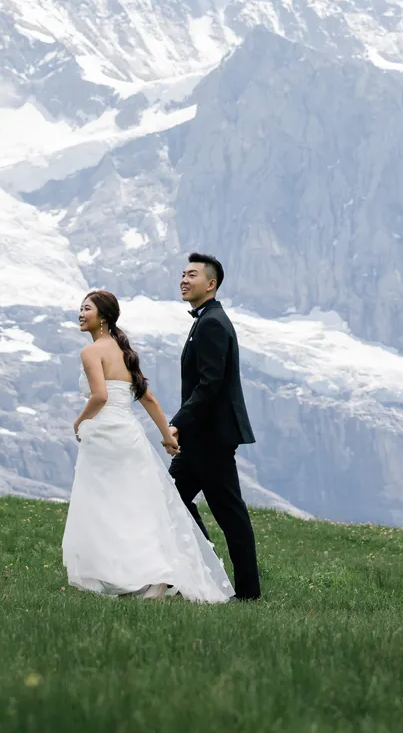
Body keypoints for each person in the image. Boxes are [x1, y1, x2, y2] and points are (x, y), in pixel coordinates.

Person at [61, 289, 233, 602]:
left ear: (103, 316)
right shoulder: (124, 352)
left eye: (86, 309)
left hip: (104, 435)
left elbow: (99, 397)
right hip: (129, 435)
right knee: (134, 505)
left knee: (105, 505)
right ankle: (154, 574)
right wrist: (166, 435)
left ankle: (124, 572)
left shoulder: (92, 352)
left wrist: (79, 421)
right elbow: (147, 397)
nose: (80, 313)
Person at [168, 254, 261, 600]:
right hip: (200, 437)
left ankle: (247, 593)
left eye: (191, 274)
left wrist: (176, 424)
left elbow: (209, 384)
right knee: (173, 498)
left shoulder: (211, 323)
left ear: (211, 284)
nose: (183, 279)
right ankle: (203, 570)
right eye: (182, 274)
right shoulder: (206, 320)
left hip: (209, 438)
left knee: (230, 514)